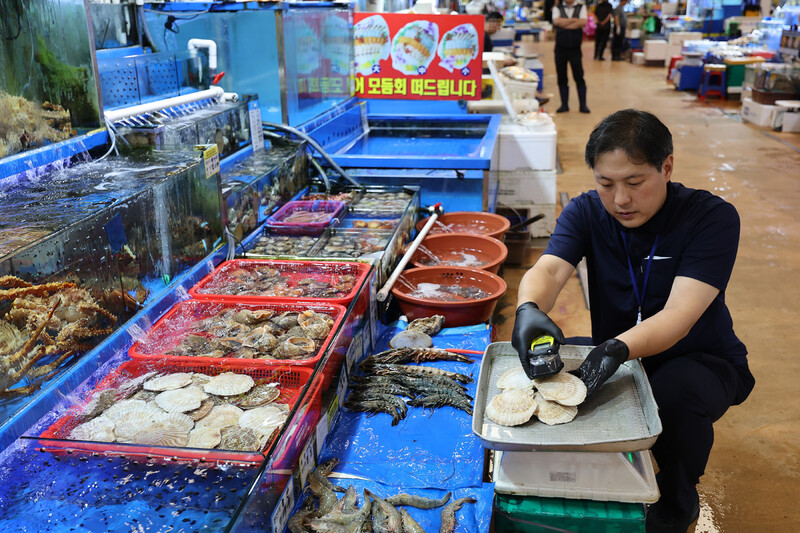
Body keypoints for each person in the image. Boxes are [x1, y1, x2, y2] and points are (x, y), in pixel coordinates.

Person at [511, 109, 755, 533]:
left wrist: (617, 348)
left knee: (676, 392)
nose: (620, 199)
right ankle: (591, 482)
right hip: (622, 352)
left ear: (667, 166)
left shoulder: (710, 218)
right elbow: (549, 270)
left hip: (698, 358)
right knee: (552, 366)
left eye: (634, 183)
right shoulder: (587, 211)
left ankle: (679, 500)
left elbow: (680, 313)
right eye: (606, 183)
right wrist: (528, 309)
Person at [552, 0, 590, 113]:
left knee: (579, 76)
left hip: (575, 49)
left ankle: (583, 105)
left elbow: (583, 22)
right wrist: (574, 21)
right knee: (561, 77)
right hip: (560, 49)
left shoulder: (581, 7)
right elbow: (556, 22)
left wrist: (564, 23)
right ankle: (564, 105)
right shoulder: (557, 8)